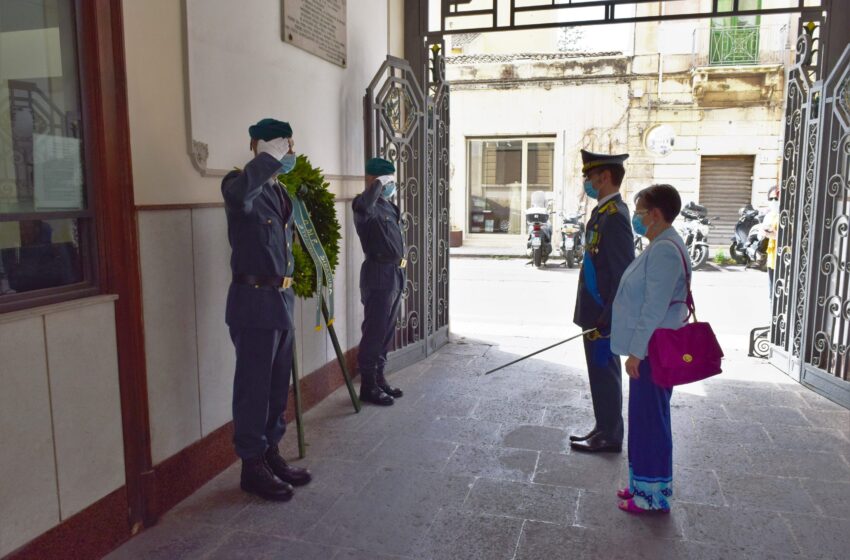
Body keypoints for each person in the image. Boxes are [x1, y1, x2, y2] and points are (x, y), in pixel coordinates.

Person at [221, 118, 312, 501]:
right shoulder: (238, 185)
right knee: (253, 389)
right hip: (253, 302)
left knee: (277, 386)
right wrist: (267, 159)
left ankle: (270, 452)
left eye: (289, 147)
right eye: (282, 147)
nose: (289, 154)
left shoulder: (278, 192)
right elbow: (241, 192)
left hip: (280, 301)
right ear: (260, 147)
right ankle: (251, 465)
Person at [611, 184, 691, 514]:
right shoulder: (660, 243)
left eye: (640, 211)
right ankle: (640, 484)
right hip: (651, 347)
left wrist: (637, 353)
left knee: (651, 422)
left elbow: (654, 307)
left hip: (654, 350)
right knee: (644, 419)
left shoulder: (665, 250)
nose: (637, 217)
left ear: (655, 214)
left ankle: (652, 498)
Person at [570, 149, 635, 453]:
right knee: (598, 373)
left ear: (605, 177)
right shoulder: (601, 212)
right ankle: (602, 427)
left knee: (605, 371)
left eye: (590, 177)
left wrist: (609, 319)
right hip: (594, 311)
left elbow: (622, 273)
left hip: (603, 316)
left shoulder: (616, 217)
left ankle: (610, 435)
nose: (587, 182)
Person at [353, 157, 406, 406]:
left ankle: (379, 377)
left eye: (392, 181)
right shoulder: (364, 204)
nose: (390, 185)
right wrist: (376, 185)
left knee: (386, 331)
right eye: (386, 180)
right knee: (374, 330)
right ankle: (368, 385)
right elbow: (364, 207)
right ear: (372, 180)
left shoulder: (389, 207)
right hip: (377, 273)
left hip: (395, 274)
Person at [764, 187, 780, 301]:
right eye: (771, 199)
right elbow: (762, 232)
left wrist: (776, 235)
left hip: (784, 259)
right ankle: (772, 318)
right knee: (772, 295)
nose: (774, 201)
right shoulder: (770, 215)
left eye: (776, 198)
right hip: (772, 259)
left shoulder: (785, 216)